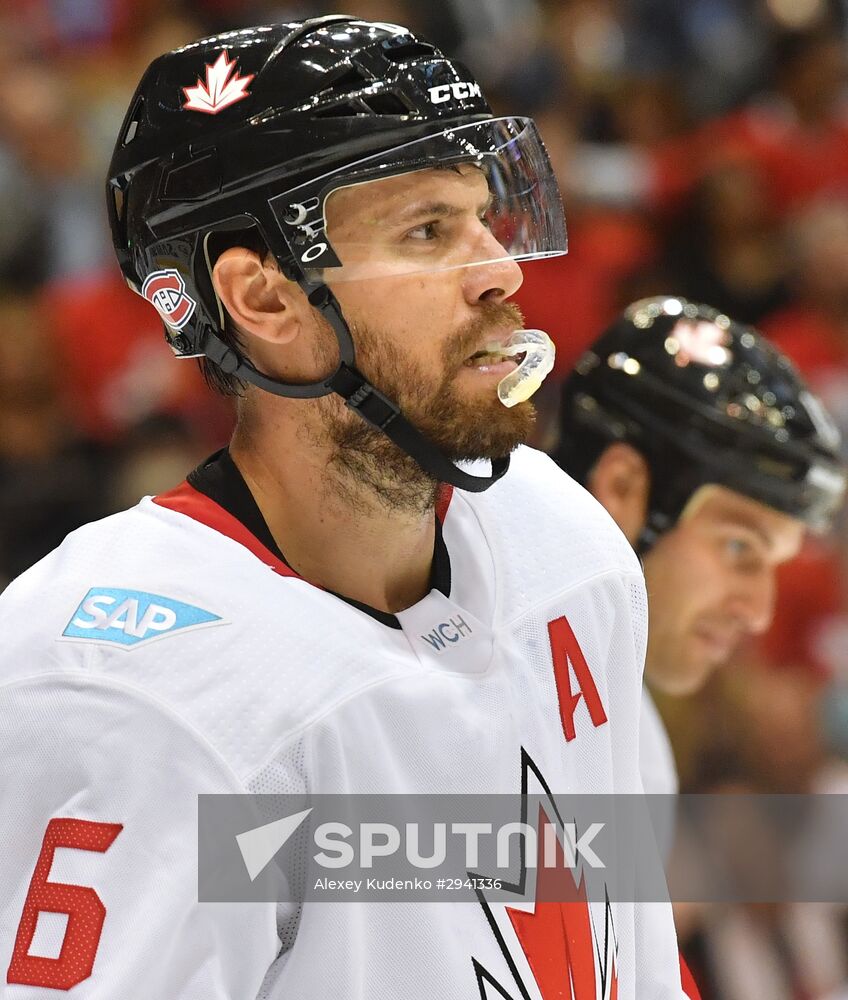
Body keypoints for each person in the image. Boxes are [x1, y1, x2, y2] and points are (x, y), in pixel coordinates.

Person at [0, 18, 690, 1000]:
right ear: (266, 300)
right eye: (426, 230)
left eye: (484, 217)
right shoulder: (128, 690)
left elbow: (634, 955)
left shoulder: (559, 538)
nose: (499, 267)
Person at [554, 295, 846, 796]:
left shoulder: (637, 746)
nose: (758, 612)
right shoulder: (452, 705)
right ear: (622, 487)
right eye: (739, 548)